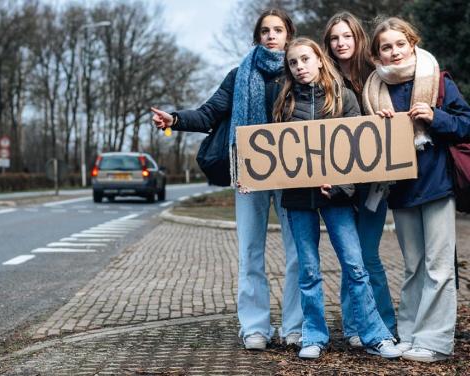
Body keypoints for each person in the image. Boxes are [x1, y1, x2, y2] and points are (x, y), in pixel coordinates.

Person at [151, 9, 303, 350]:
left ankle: (294, 325)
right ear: (257, 36)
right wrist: (173, 119)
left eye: (278, 29)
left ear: (289, 35)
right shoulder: (240, 75)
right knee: (250, 252)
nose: (271, 35)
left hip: (294, 174)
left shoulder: (301, 72)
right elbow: (208, 113)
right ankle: (255, 327)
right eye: (265, 30)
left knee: (298, 252)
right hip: (249, 172)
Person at [274, 37, 401, 360]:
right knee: (309, 271)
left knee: (356, 267)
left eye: (305, 59)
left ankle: (374, 334)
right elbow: (276, 156)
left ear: (319, 60)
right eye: (293, 62)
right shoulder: (284, 103)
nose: (300, 67)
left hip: (339, 199)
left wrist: (343, 188)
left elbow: (359, 153)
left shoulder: (343, 98)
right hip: (299, 201)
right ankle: (314, 335)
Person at [363, 17, 470, 362]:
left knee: (439, 266)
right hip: (400, 188)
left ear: (412, 43)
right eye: (386, 47)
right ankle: (409, 335)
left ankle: (436, 342)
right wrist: (374, 126)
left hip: (437, 184)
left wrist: (436, 117)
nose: (394, 52)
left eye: (399, 44)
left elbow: (465, 124)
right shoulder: (373, 90)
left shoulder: (438, 81)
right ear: (377, 54)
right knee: (413, 266)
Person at [323, 12, 396, 348]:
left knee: (368, 255)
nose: (341, 43)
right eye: (335, 38)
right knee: (349, 257)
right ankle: (353, 325)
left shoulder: (377, 76)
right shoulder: (324, 81)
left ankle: (385, 323)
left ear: (358, 38)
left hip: (373, 185)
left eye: (347, 36)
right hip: (339, 186)